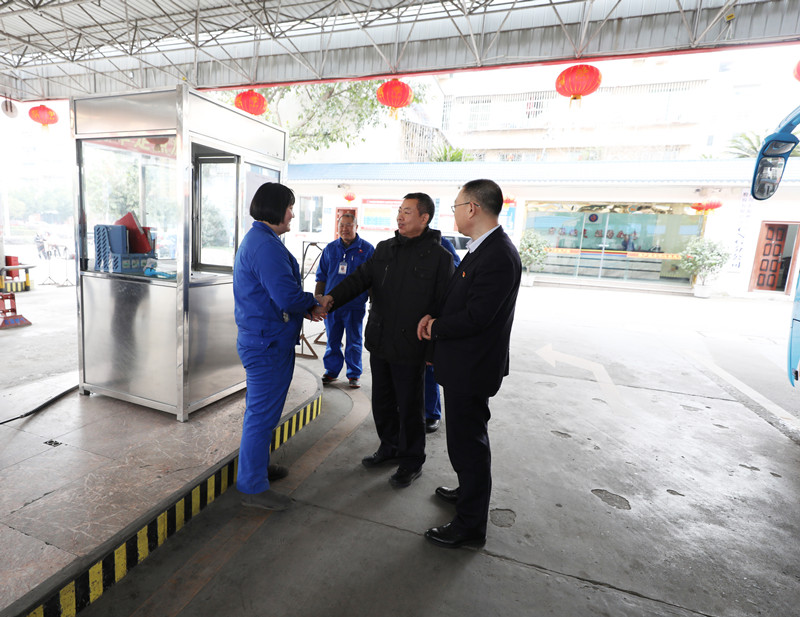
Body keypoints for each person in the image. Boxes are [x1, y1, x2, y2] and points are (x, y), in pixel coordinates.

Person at [322, 193, 454, 488]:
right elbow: (359, 279)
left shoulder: (440, 257)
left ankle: (412, 460)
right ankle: (389, 447)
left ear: (424, 218)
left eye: (407, 212)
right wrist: (332, 298)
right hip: (380, 340)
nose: (400, 217)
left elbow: (445, 305)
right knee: (382, 401)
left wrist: (433, 349)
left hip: (411, 345)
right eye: (399, 211)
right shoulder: (385, 249)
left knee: (409, 407)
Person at [417, 179, 522, 548]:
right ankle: (468, 493)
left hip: (472, 367)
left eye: (457, 207)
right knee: (465, 441)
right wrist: (435, 317)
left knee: (469, 445)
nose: (455, 214)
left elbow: (477, 316)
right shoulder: (483, 249)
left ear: (473, 209)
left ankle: (470, 525)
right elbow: (460, 299)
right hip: (465, 363)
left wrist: (436, 327)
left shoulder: (498, 256)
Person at [233, 182, 327, 511]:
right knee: (261, 416)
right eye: (289, 207)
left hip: (267, 339)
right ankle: (252, 486)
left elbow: (278, 294)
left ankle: (257, 467)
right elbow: (286, 296)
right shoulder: (265, 246)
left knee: (263, 413)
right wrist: (312, 302)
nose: (292, 214)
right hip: (267, 344)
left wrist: (305, 307)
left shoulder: (262, 239)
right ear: (275, 208)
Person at [315, 213, 375, 388]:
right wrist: (318, 298)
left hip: (355, 305)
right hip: (332, 306)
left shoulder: (367, 249)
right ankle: (331, 371)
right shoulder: (330, 249)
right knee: (332, 340)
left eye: (349, 225)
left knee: (354, 341)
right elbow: (321, 276)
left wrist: (374, 303)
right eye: (342, 225)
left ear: (356, 227)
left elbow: (373, 279)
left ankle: (354, 374)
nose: (345, 229)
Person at [424, 235, 460, 433]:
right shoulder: (398, 245)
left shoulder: (441, 243)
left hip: (432, 316)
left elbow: (456, 272)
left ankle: (431, 413)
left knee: (428, 367)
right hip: (406, 317)